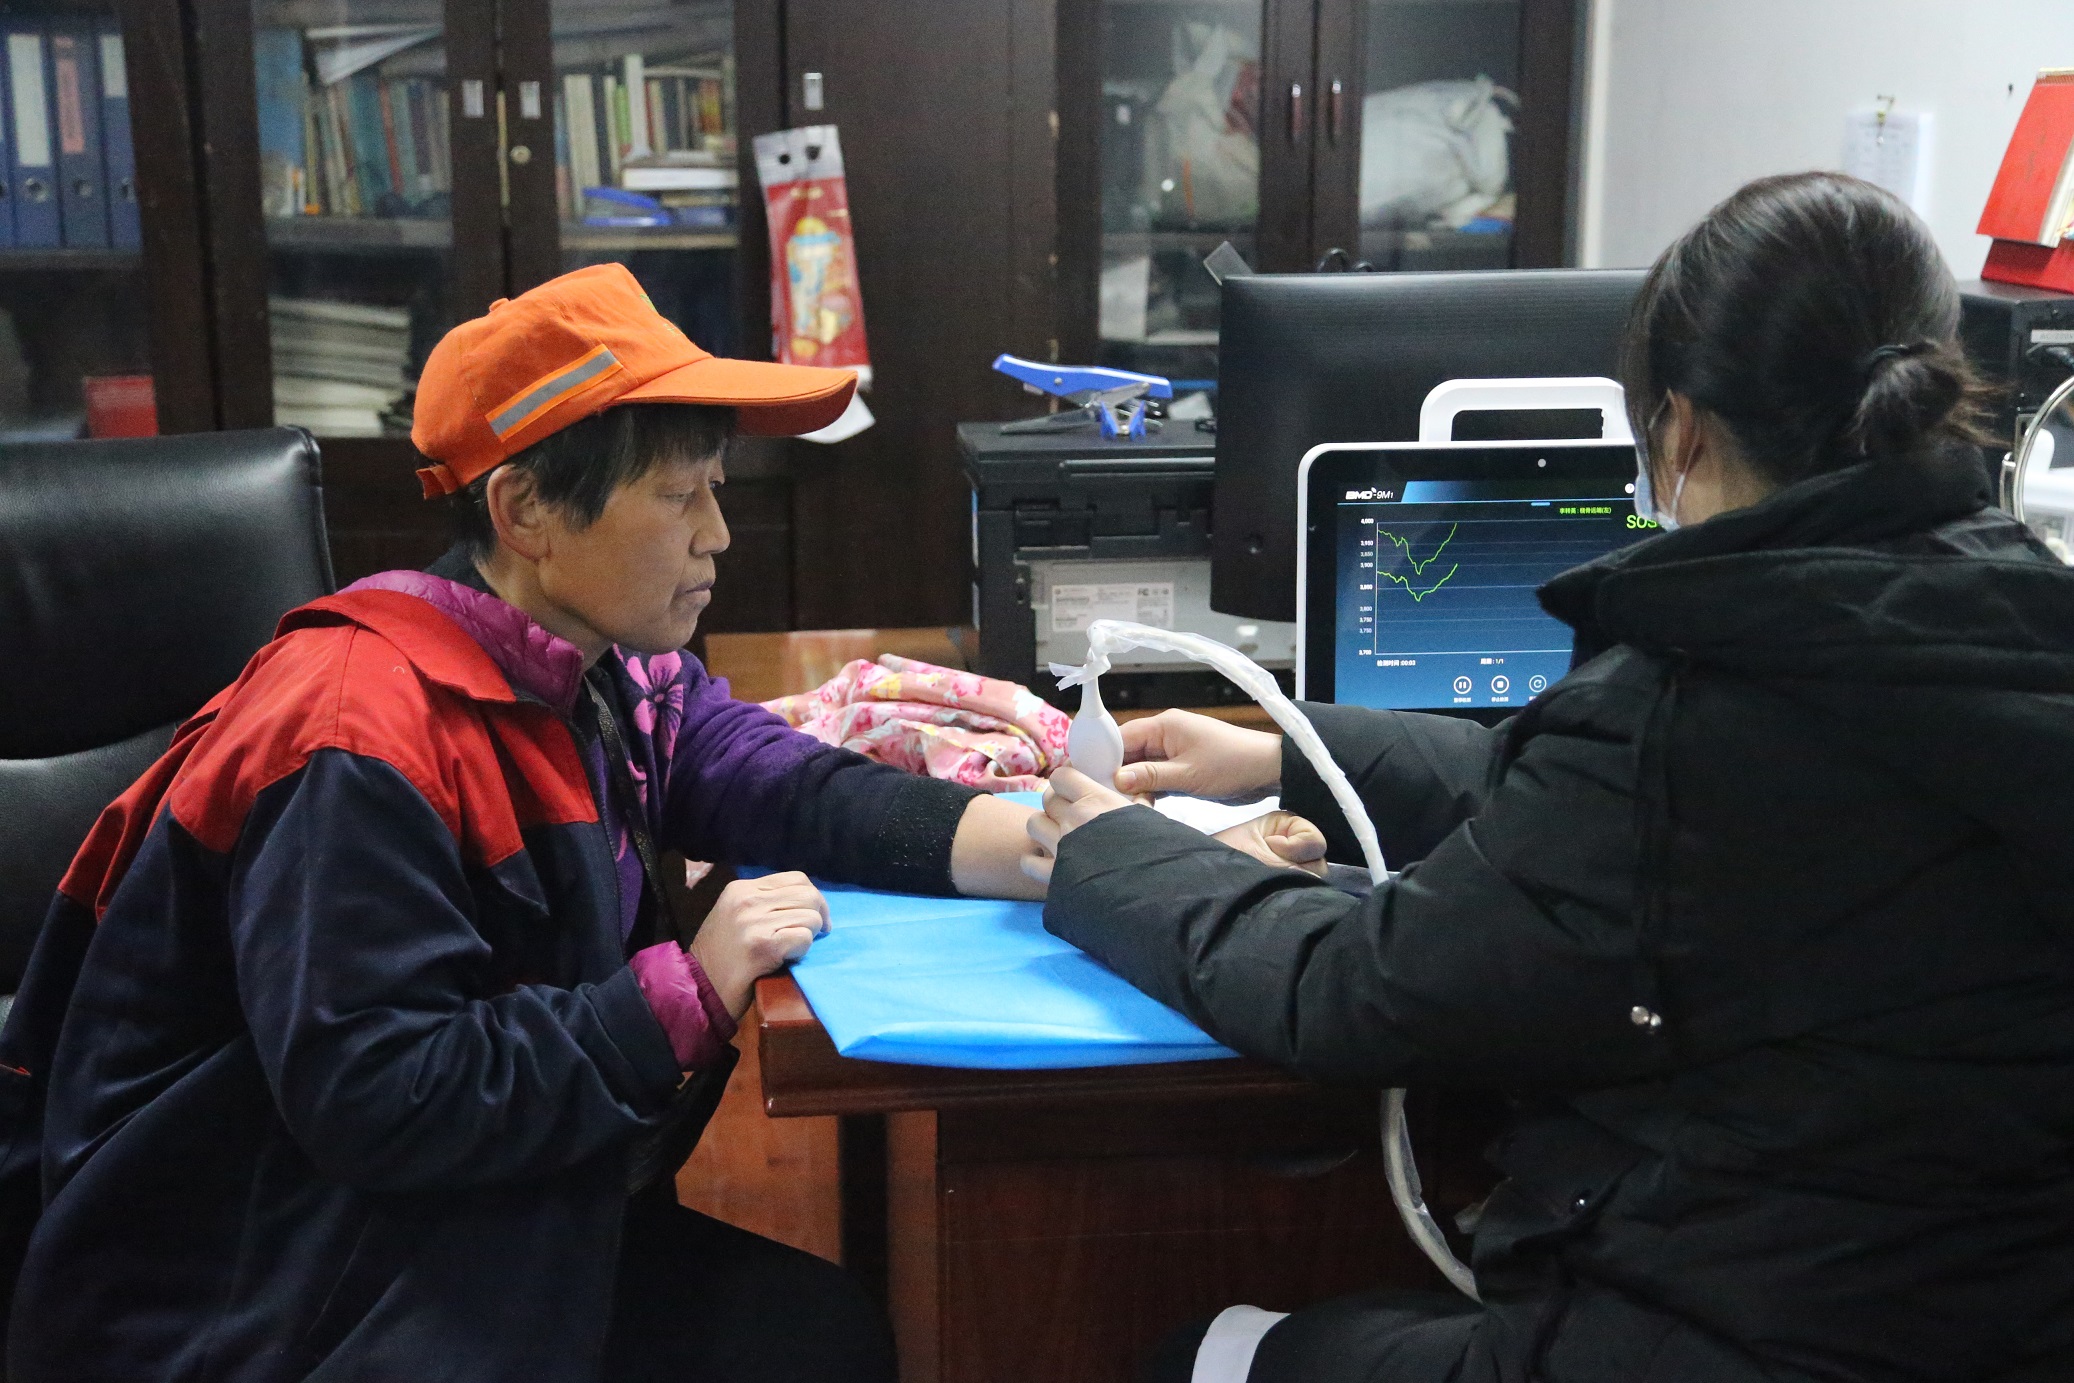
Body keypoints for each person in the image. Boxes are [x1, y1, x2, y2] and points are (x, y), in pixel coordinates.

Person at [1027, 172, 2074, 1383]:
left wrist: (1111, 853)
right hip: (1998, 1324)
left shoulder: (1693, 709)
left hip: (1728, 1337)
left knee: (1207, 1354)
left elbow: (1349, 989)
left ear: (1680, 430)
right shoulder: (2003, 617)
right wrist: (1296, 754)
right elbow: (1628, 817)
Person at [0, 263, 1044, 1383]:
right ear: (526, 511)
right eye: (678, 497)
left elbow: (787, 785)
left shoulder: (604, 669)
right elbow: (378, 1097)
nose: (718, 535)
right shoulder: (358, 737)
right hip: (277, 1285)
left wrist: (1036, 843)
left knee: (820, 1330)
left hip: (462, 1208)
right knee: (813, 1345)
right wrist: (680, 992)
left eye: (715, 488)